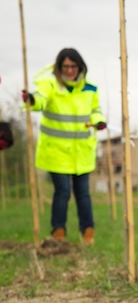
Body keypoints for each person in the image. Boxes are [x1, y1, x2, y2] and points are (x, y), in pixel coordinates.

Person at [22, 48, 106, 244]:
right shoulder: (50, 84)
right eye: (65, 66)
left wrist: (98, 121)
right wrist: (31, 100)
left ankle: (88, 233)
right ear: (59, 68)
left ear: (80, 67)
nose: (69, 70)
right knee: (63, 192)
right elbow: (40, 99)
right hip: (56, 151)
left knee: (83, 194)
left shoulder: (90, 88)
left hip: (82, 152)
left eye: (73, 66)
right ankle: (58, 234)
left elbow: (95, 110)